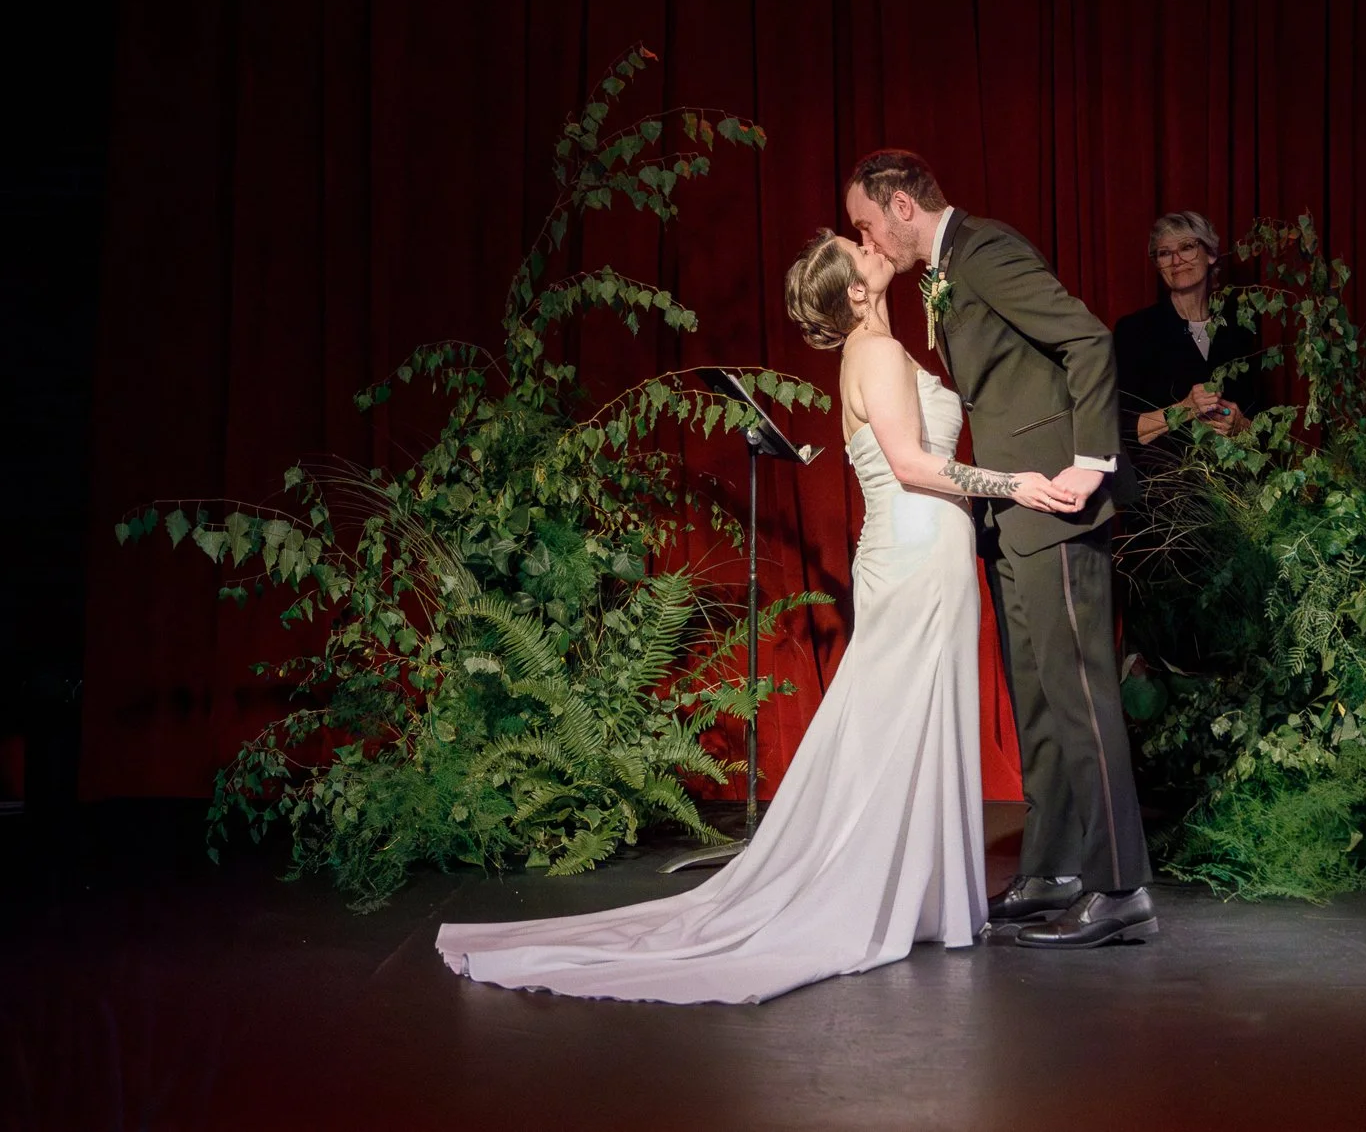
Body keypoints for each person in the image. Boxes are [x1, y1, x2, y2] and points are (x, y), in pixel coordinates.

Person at [434, 230, 1069, 1004]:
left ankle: (914, 893)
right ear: (858, 290)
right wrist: (1016, 483)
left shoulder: (876, 350)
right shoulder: (874, 355)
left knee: (905, 718)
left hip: (915, 545)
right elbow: (910, 464)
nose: (873, 242)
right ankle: (879, 892)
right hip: (914, 543)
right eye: (859, 245)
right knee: (895, 718)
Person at [845, 148, 1157, 949]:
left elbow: (1087, 340)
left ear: (902, 205)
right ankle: (1053, 865)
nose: (868, 238)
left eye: (867, 222)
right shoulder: (943, 274)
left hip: (1054, 500)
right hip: (1013, 511)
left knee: (1078, 689)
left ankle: (1119, 884)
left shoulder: (983, 251)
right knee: (1037, 694)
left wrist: (1088, 466)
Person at [1112, 210, 1260, 473]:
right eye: (1164, 253)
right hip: (1164, 496)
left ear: (1211, 254)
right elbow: (1120, 426)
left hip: (1234, 494)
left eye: (1187, 247)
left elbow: (1264, 422)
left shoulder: (1240, 329)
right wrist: (1184, 409)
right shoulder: (1135, 331)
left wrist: (1241, 425)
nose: (1176, 260)